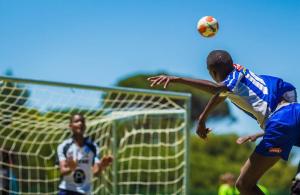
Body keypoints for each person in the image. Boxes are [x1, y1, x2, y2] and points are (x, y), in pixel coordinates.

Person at [147, 50, 299, 195]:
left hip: (281, 121)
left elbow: (216, 89)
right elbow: (221, 93)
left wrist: (178, 79)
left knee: (244, 185)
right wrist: (202, 118)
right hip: (295, 111)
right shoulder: (240, 74)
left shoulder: (233, 76)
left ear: (212, 73)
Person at [57, 113, 113, 195]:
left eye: (82, 121)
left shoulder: (93, 146)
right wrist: (71, 168)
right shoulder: (64, 146)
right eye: (76, 121)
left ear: (85, 126)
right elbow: (62, 170)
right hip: (67, 191)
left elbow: (95, 172)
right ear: (70, 126)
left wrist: (102, 165)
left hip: (85, 192)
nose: (80, 123)